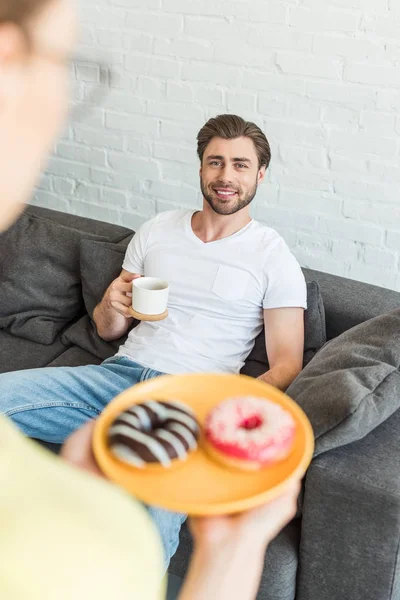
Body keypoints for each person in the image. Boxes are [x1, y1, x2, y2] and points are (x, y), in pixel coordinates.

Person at [0, 0, 302, 597]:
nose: (226, 175)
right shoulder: (156, 231)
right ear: (199, 167)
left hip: (190, 398)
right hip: (114, 376)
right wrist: (112, 302)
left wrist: (217, 413)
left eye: (240, 165)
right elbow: (110, 330)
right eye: (215, 161)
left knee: (153, 513)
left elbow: (287, 361)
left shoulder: (273, 256)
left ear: (260, 176)